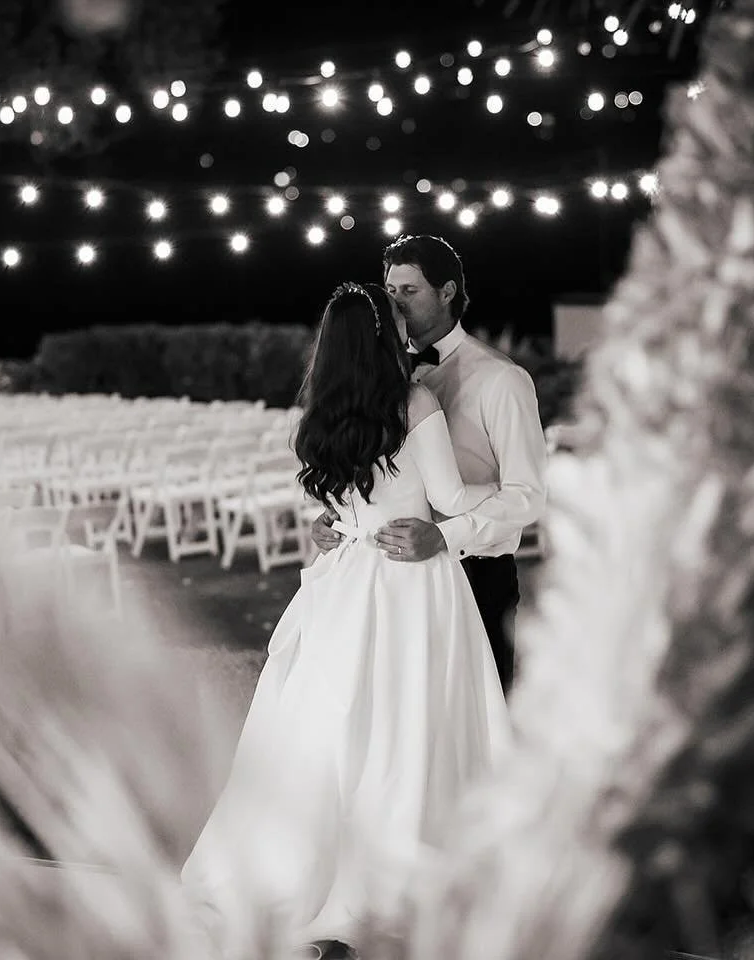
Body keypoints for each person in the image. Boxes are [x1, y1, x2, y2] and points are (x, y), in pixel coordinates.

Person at [181, 282, 512, 960]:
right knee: (412, 725)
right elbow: (447, 498)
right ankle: (398, 875)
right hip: (412, 581)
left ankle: (317, 872)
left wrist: (335, 525)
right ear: (383, 338)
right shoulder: (416, 403)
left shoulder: (318, 416)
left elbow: (340, 505)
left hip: (347, 584)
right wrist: (512, 492)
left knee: (337, 727)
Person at [312, 236, 547, 693]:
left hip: (476, 572)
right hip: (395, 582)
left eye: (409, 291)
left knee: (479, 723)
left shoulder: (502, 381)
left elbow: (529, 495)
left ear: (447, 292)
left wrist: (445, 534)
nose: (395, 302)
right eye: (390, 290)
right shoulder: (376, 379)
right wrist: (339, 517)